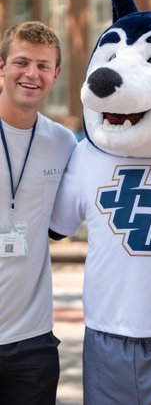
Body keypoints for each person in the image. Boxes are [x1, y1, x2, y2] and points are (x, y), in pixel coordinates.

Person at [0, 21, 77, 405]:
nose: (32, 74)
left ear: (56, 75)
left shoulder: (63, 144)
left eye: (43, 66)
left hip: (32, 342)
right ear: (2, 67)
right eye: (21, 62)